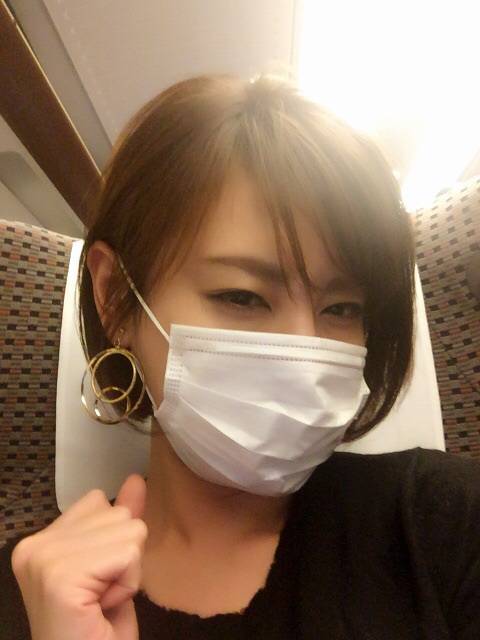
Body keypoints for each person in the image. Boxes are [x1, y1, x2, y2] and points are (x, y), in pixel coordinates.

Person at [1, 72, 479, 640]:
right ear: (115, 298)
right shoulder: (29, 594)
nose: (305, 351)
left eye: (343, 308)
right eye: (242, 297)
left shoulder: (443, 520)